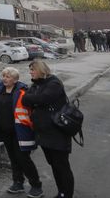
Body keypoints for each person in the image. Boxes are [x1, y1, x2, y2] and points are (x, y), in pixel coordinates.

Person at [0, 67, 43, 197]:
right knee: (13, 158)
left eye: (8, 76)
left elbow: (33, 108)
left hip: (20, 131)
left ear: (15, 79)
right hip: (5, 131)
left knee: (23, 158)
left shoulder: (22, 91)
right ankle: (18, 183)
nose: (4, 78)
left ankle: (36, 185)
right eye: (3, 76)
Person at [22, 60, 75, 198]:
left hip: (57, 133)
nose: (30, 72)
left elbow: (43, 98)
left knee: (62, 166)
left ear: (40, 70)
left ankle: (67, 194)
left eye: (32, 69)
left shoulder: (54, 83)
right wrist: (32, 98)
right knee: (54, 165)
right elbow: (26, 99)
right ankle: (61, 192)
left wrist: (32, 99)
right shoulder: (37, 84)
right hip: (44, 134)